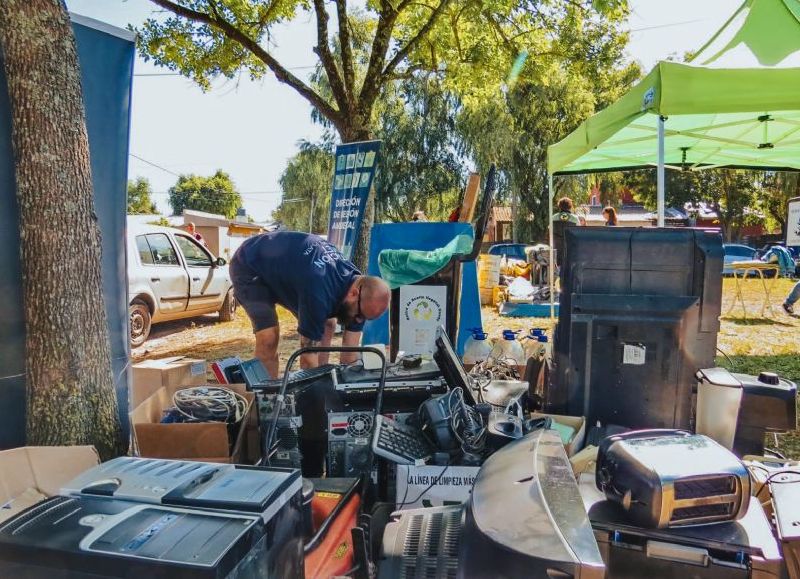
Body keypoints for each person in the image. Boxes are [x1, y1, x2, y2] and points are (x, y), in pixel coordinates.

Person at [230, 230, 390, 378]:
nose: (359, 321)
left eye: (366, 318)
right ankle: (265, 400)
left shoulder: (360, 290)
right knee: (268, 337)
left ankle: (324, 376)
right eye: (360, 316)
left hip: (290, 271)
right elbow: (307, 360)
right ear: (354, 294)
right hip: (249, 264)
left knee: (328, 323)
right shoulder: (318, 292)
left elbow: (349, 357)